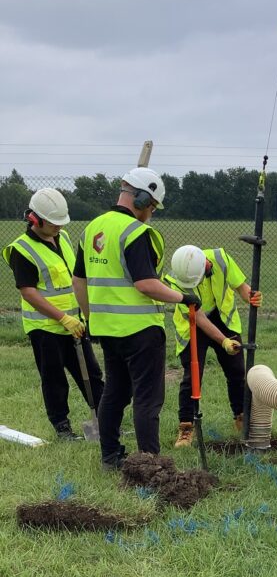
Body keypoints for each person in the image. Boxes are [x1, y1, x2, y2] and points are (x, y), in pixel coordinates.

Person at [72, 167, 200, 469]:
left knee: (114, 393)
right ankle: (150, 465)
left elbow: (79, 281)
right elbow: (146, 284)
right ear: (141, 199)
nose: (151, 213)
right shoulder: (136, 233)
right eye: (152, 206)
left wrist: (92, 318)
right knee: (147, 399)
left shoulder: (92, 229)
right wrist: (184, 297)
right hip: (141, 331)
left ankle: (110, 457)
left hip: (106, 330)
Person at [2, 188, 104, 440]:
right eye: (53, 223)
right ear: (35, 219)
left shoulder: (63, 237)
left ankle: (105, 419)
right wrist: (62, 318)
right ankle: (62, 427)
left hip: (74, 324)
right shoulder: (21, 250)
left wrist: (77, 316)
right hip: (46, 329)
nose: (59, 227)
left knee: (91, 374)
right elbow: (28, 292)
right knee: (54, 379)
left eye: (61, 222)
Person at [168, 245, 262, 447]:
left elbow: (240, 286)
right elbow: (199, 318)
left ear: (205, 265)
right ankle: (186, 427)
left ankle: (242, 417)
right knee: (192, 376)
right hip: (193, 324)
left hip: (224, 319)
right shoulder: (179, 279)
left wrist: (250, 296)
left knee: (237, 371)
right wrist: (224, 341)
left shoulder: (220, 258)